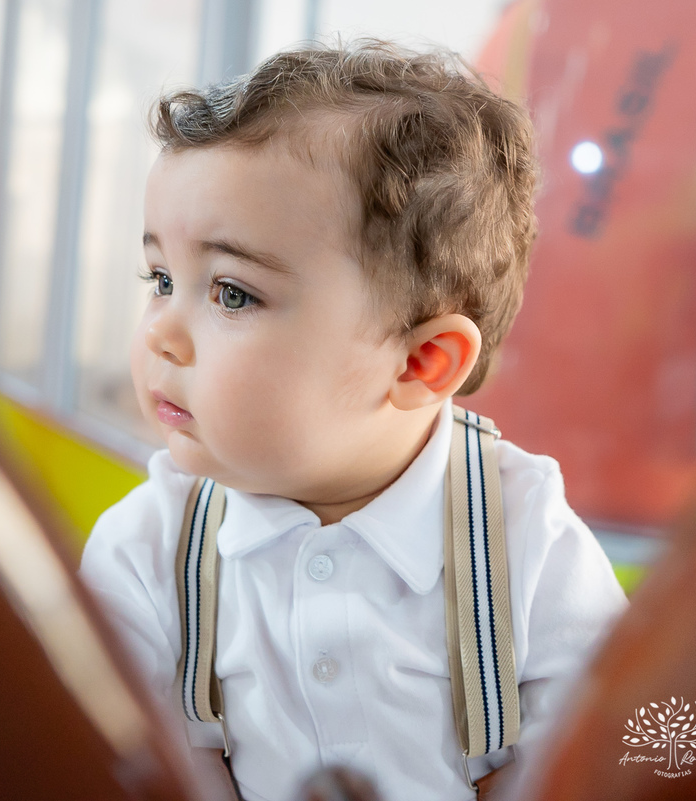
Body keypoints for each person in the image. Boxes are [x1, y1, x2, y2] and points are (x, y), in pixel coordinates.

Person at [79, 40, 627, 801]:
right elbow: (136, 766)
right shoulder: (145, 552)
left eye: (232, 293)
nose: (160, 332)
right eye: (162, 279)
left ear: (420, 363)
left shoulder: (527, 537)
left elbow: (623, 758)